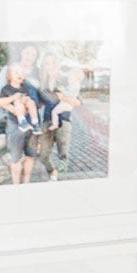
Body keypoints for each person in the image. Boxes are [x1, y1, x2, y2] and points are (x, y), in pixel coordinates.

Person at [34, 52, 82, 181]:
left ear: (57, 64)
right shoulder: (41, 85)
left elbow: (78, 102)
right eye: (47, 63)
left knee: (63, 155)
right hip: (47, 122)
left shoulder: (66, 80)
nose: (50, 66)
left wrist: (64, 97)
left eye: (53, 63)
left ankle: (60, 180)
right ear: (44, 66)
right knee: (43, 155)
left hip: (63, 121)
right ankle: (53, 171)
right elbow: (38, 104)